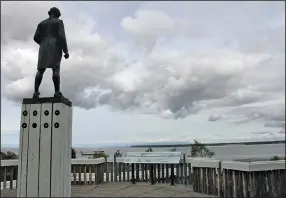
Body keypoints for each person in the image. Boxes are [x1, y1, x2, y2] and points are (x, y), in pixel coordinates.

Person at [33, 7, 69, 98]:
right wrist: (66, 51)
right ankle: (57, 92)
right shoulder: (58, 22)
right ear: (56, 14)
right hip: (55, 45)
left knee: (40, 70)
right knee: (56, 69)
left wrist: (42, 43)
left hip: (43, 46)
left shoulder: (41, 23)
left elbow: (35, 37)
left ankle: (35, 92)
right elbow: (62, 37)